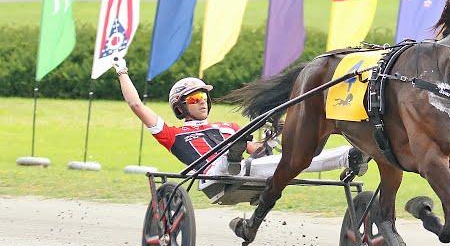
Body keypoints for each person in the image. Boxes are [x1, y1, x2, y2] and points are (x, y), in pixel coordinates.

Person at [112, 57, 368, 192]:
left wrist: (270, 141)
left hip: (247, 169)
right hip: (211, 175)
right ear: (180, 107)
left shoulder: (227, 126)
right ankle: (231, 154)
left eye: (204, 97)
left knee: (294, 160)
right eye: (195, 98)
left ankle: (350, 155)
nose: (202, 102)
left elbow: (256, 150)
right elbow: (137, 106)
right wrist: (122, 73)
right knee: (236, 154)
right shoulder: (173, 134)